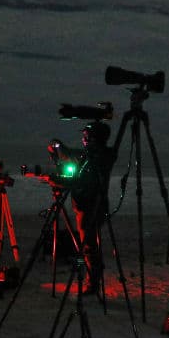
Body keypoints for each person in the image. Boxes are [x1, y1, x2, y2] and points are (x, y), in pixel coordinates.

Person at [67, 121, 117, 294]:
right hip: (87, 205)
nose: (83, 139)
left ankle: (92, 282)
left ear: (93, 138)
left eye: (86, 136)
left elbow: (88, 180)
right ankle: (93, 278)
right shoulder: (95, 155)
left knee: (88, 245)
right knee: (89, 244)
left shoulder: (100, 156)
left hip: (92, 206)